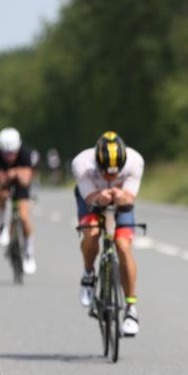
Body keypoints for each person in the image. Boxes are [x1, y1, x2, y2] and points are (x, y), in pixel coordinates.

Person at [72, 131, 145, 336]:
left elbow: (129, 198)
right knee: (92, 232)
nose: (111, 177)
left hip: (121, 200)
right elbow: (89, 199)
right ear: (97, 163)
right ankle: (88, 275)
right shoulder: (82, 164)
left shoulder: (135, 161)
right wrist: (98, 197)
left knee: (123, 246)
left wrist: (122, 196)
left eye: (116, 173)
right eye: (105, 173)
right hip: (91, 198)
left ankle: (131, 309)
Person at [0, 127, 37, 274]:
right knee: (2, 195)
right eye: (6, 153)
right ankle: (2, 225)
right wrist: (7, 177)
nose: (9, 157)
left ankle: (29, 252)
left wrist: (15, 172)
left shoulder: (25, 153)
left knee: (23, 217)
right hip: (5, 182)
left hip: (21, 184)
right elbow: (0, 180)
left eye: (12, 153)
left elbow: (26, 180)